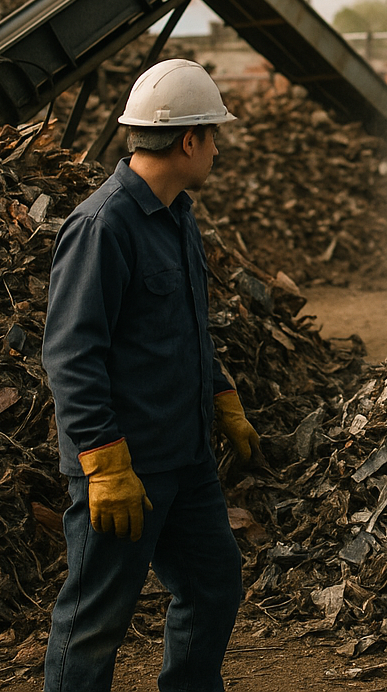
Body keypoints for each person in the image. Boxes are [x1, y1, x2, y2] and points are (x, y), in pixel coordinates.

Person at [42, 59, 260, 692]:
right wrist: (105, 465)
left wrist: (221, 398)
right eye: (214, 135)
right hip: (123, 466)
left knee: (213, 585)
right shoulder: (103, 225)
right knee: (94, 620)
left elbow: (187, 325)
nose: (218, 147)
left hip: (184, 457)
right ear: (187, 140)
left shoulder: (177, 214)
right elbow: (71, 355)